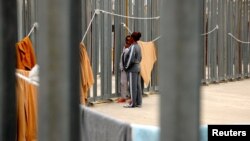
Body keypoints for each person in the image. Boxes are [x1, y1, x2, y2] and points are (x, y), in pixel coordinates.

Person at [123, 32, 142, 108]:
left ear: (133, 38)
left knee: (132, 86)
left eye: (130, 37)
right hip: (137, 67)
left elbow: (130, 58)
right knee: (137, 86)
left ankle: (133, 103)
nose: (129, 38)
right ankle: (139, 102)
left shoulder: (133, 46)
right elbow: (140, 58)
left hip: (132, 69)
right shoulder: (138, 46)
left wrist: (126, 66)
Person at [117, 35, 132, 103]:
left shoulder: (132, 48)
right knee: (123, 83)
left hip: (129, 68)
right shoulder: (125, 47)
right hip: (123, 68)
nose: (127, 41)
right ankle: (123, 97)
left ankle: (130, 97)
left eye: (129, 40)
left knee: (131, 83)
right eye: (126, 40)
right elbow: (123, 57)